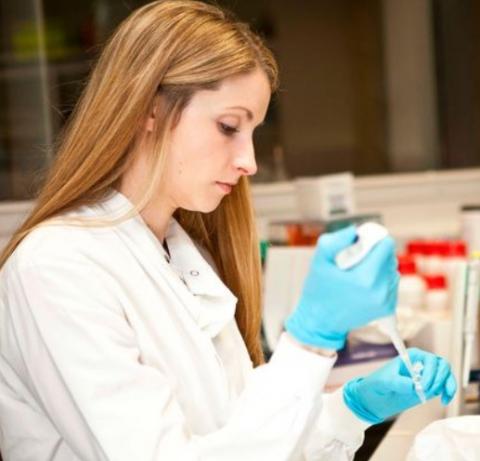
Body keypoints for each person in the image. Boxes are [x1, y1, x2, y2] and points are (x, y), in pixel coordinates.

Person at [0, 1, 456, 460]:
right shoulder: (57, 268)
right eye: (228, 126)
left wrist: (351, 409)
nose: (249, 162)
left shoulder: (181, 257)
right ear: (150, 111)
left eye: (253, 131)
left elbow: (242, 439)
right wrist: (310, 342)